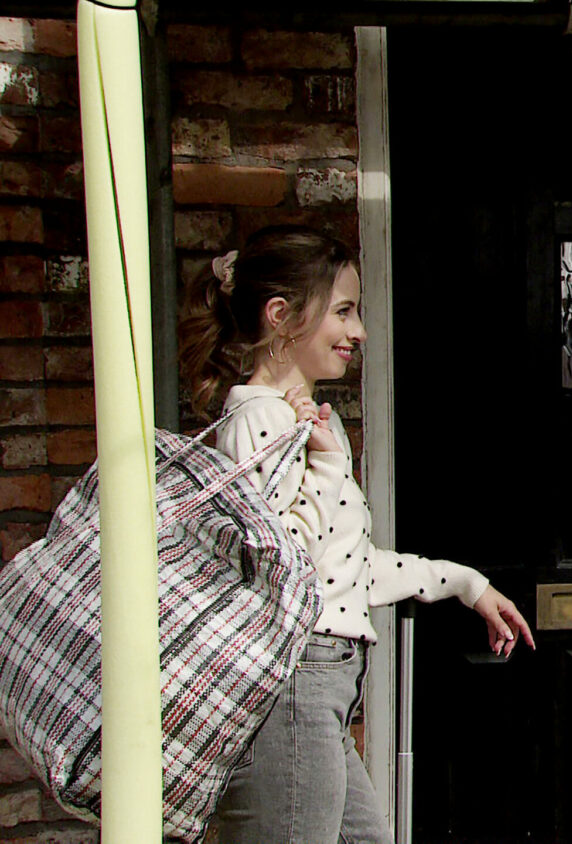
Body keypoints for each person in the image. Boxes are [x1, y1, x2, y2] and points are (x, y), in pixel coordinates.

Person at [179, 225, 535, 844]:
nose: (359, 331)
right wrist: (324, 465)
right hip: (294, 683)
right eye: (343, 311)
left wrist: (463, 583)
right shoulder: (263, 419)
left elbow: (345, 566)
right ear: (282, 317)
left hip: (321, 688)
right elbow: (281, 562)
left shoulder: (309, 421)